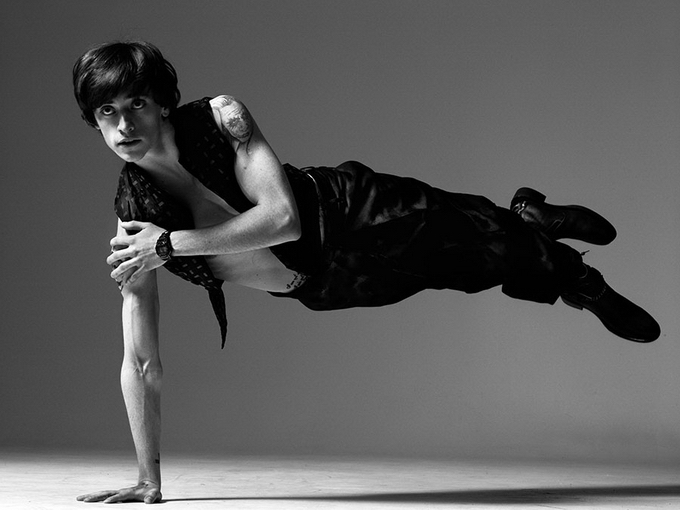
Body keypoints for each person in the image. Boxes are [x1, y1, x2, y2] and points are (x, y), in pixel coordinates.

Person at [72, 41, 660, 504]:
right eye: (107, 112)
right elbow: (140, 359)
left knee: (460, 225)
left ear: (162, 103)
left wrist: (170, 244)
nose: (124, 126)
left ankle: (579, 280)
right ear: (94, 122)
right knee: (466, 268)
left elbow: (282, 221)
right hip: (326, 285)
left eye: (136, 104)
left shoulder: (220, 120)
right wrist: (148, 478)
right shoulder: (134, 222)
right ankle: (528, 217)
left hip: (345, 208)